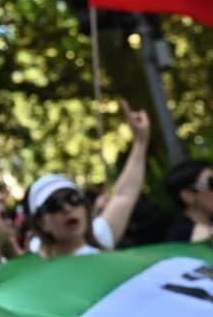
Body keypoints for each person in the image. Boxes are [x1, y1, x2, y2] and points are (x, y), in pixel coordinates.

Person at [26, 100, 150, 257]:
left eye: (73, 198)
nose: (67, 208)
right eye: (53, 206)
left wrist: (141, 141)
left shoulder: (100, 237)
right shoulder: (37, 263)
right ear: (41, 223)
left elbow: (123, 196)